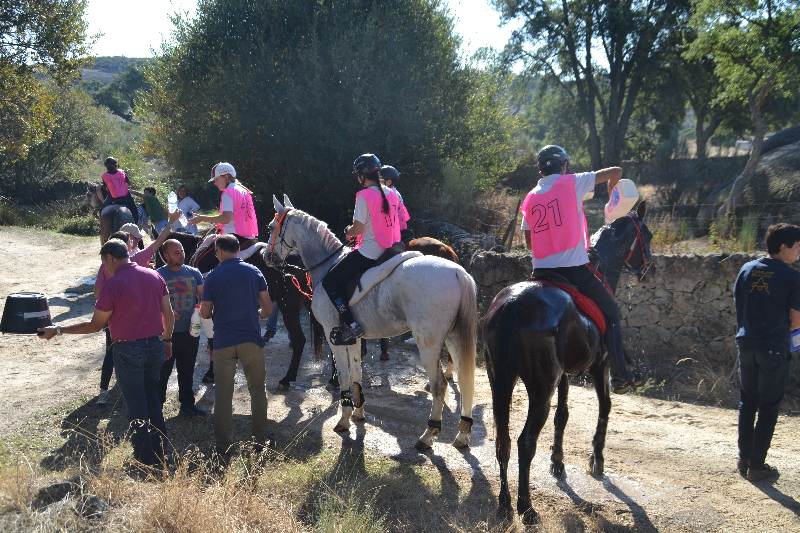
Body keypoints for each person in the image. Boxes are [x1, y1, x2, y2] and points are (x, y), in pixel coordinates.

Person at [520, 145, 646, 394]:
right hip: (573, 271)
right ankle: (620, 375)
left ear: (540, 169)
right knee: (610, 311)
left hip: (540, 272)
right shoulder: (572, 183)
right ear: (564, 165)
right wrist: (613, 204)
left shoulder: (531, 197)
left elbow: (529, 243)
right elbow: (616, 171)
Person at [40, 238, 174, 467]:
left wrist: (59, 329)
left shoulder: (112, 285)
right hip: (155, 345)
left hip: (128, 349)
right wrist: (168, 340)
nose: (106, 268)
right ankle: (161, 450)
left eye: (105, 263)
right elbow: (168, 314)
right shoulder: (154, 276)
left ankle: (144, 457)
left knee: (136, 403)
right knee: (151, 395)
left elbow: (94, 325)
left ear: (109, 258)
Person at [733, 223, 800, 481]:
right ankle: (758, 466)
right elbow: (795, 323)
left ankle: (744, 458)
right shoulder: (793, 277)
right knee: (769, 407)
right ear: (783, 247)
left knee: (747, 403)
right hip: (773, 348)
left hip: (746, 344)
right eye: (797, 247)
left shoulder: (746, 269)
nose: (798, 253)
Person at [95, 212, 181, 405]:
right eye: (132, 240)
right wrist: (170, 222)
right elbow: (158, 242)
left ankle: (103, 391)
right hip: (137, 322)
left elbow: (97, 292)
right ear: (127, 244)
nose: (134, 242)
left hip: (111, 318)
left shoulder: (105, 265)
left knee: (111, 352)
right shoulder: (138, 259)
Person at [200, 234, 274, 454]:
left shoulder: (213, 276)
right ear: (238, 250)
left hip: (223, 341)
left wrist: (217, 313)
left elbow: (205, 312)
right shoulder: (255, 272)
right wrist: (257, 315)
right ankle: (260, 440)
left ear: (220, 251)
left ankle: (223, 445)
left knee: (223, 393)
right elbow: (268, 309)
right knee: (257, 390)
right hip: (251, 339)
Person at [322, 154, 401, 345]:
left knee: (329, 282)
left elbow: (357, 229)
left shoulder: (364, 196)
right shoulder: (392, 193)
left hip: (371, 251)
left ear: (361, 176)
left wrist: (347, 230)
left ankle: (351, 325)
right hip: (393, 248)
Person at [157, 239, 207, 416]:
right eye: (176, 252)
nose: (181, 255)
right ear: (166, 256)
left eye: (182, 251)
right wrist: (165, 312)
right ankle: (157, 407)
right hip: (165, 334)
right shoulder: (158, 275)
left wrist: (202, 308)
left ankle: (187, 405)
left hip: (190, 332)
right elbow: (151, 303)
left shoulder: (194, 273)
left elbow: (203, 297)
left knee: (187, 371)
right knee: (162, 373)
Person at [187, 162, 258, 249]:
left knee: (199, 261)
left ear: (227, 177)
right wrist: (220, 223)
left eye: (216, 179)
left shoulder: (228, 192)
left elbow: (225, 218)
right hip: (248, 237)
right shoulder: (243, 191)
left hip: (232, 237)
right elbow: (236, 216)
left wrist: (202, 218)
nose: (215, 183)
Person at [99, 157, 139, 224]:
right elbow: (129, 184)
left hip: (112, 197)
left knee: (102, 210)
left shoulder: (104, 176)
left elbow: (107, 188)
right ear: (115, 165)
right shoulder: (122, 172)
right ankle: (136, 227)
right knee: (134, 211)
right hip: (126, 195)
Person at [381, 165, 412, 242]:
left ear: (389, 182)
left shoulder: (387, 195)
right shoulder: (396, 193)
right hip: (401, 228)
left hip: (391, 232)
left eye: (380, 180)